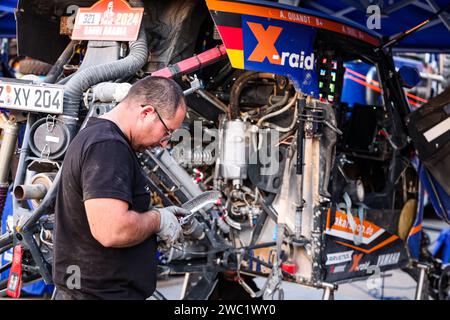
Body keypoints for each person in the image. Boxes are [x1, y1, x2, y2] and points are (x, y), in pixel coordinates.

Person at [53, 76, 189, 299]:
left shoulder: (100, 139)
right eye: (167, 132)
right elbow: (112, 230)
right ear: (146, 113)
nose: (165, 142)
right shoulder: (108, 147)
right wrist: (158, 220)